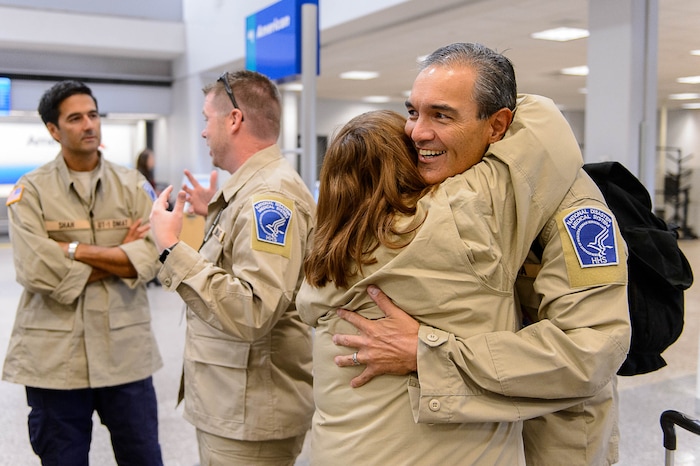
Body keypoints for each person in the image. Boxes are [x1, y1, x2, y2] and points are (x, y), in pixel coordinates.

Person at [329, 43, 631, 465]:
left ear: (497, 125)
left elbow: (590, 353)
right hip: (478, 436)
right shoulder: (456, 185)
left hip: (552, 438)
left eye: (441, 115)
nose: (416, 132)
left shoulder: (574, 210)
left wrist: (427, 352)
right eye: (413, 112)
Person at [149, 70, 315, 466]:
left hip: (250, 412)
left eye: (207, 119)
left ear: (234, 120)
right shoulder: (251, 194)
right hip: (235, 403)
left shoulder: (268, 197)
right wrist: (217, 214)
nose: (204, 132)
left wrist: (172, 247)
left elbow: (254, 308)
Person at [2, 80, 164, 465]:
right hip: (55, 361)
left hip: (126, 354)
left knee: (143, 457)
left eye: (93, 115)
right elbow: (35, 269)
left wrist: (73, 251)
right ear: (53, 130)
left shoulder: (133, 186)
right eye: (75, 118)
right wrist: (120, 254)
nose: (89, 124)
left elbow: (155, 256)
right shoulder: (31, 192)